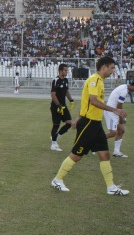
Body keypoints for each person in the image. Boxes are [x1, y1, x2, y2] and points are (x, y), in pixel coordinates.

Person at [51, 56, 129, 196]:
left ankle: (110, 187)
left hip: (96, 124)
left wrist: (77, 118)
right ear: (104, 67)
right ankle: (57, 180)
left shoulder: (100, 81)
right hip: (88, 124)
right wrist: (115, 110)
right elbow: (93, 101)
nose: (113, 71)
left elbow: (87, 102)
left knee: (105, 154)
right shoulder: (94, 80)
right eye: (112, 68)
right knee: (76, 155)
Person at [104, 81, 134, 158]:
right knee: (113, 133)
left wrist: (122, 117)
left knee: (121, 130)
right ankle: (93, 141)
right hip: (111, 112)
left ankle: (116, 152)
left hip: (115, 112)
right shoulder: (124, 91)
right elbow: (119, 106)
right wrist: (122, 118)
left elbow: (119, 107)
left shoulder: (125, 87)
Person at [50, 64, 74, 151]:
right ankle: (53, 144)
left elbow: (66, 90)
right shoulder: (55, 80)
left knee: (69, 123)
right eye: (65, 70)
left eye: (67, 70)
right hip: (56, 107)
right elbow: (53, 95)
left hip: (64, 106)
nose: (67, 72)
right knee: (56, 125)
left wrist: (71, 100)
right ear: (60, 71)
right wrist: (58, 106)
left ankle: (55, 137)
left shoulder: (66, 80)